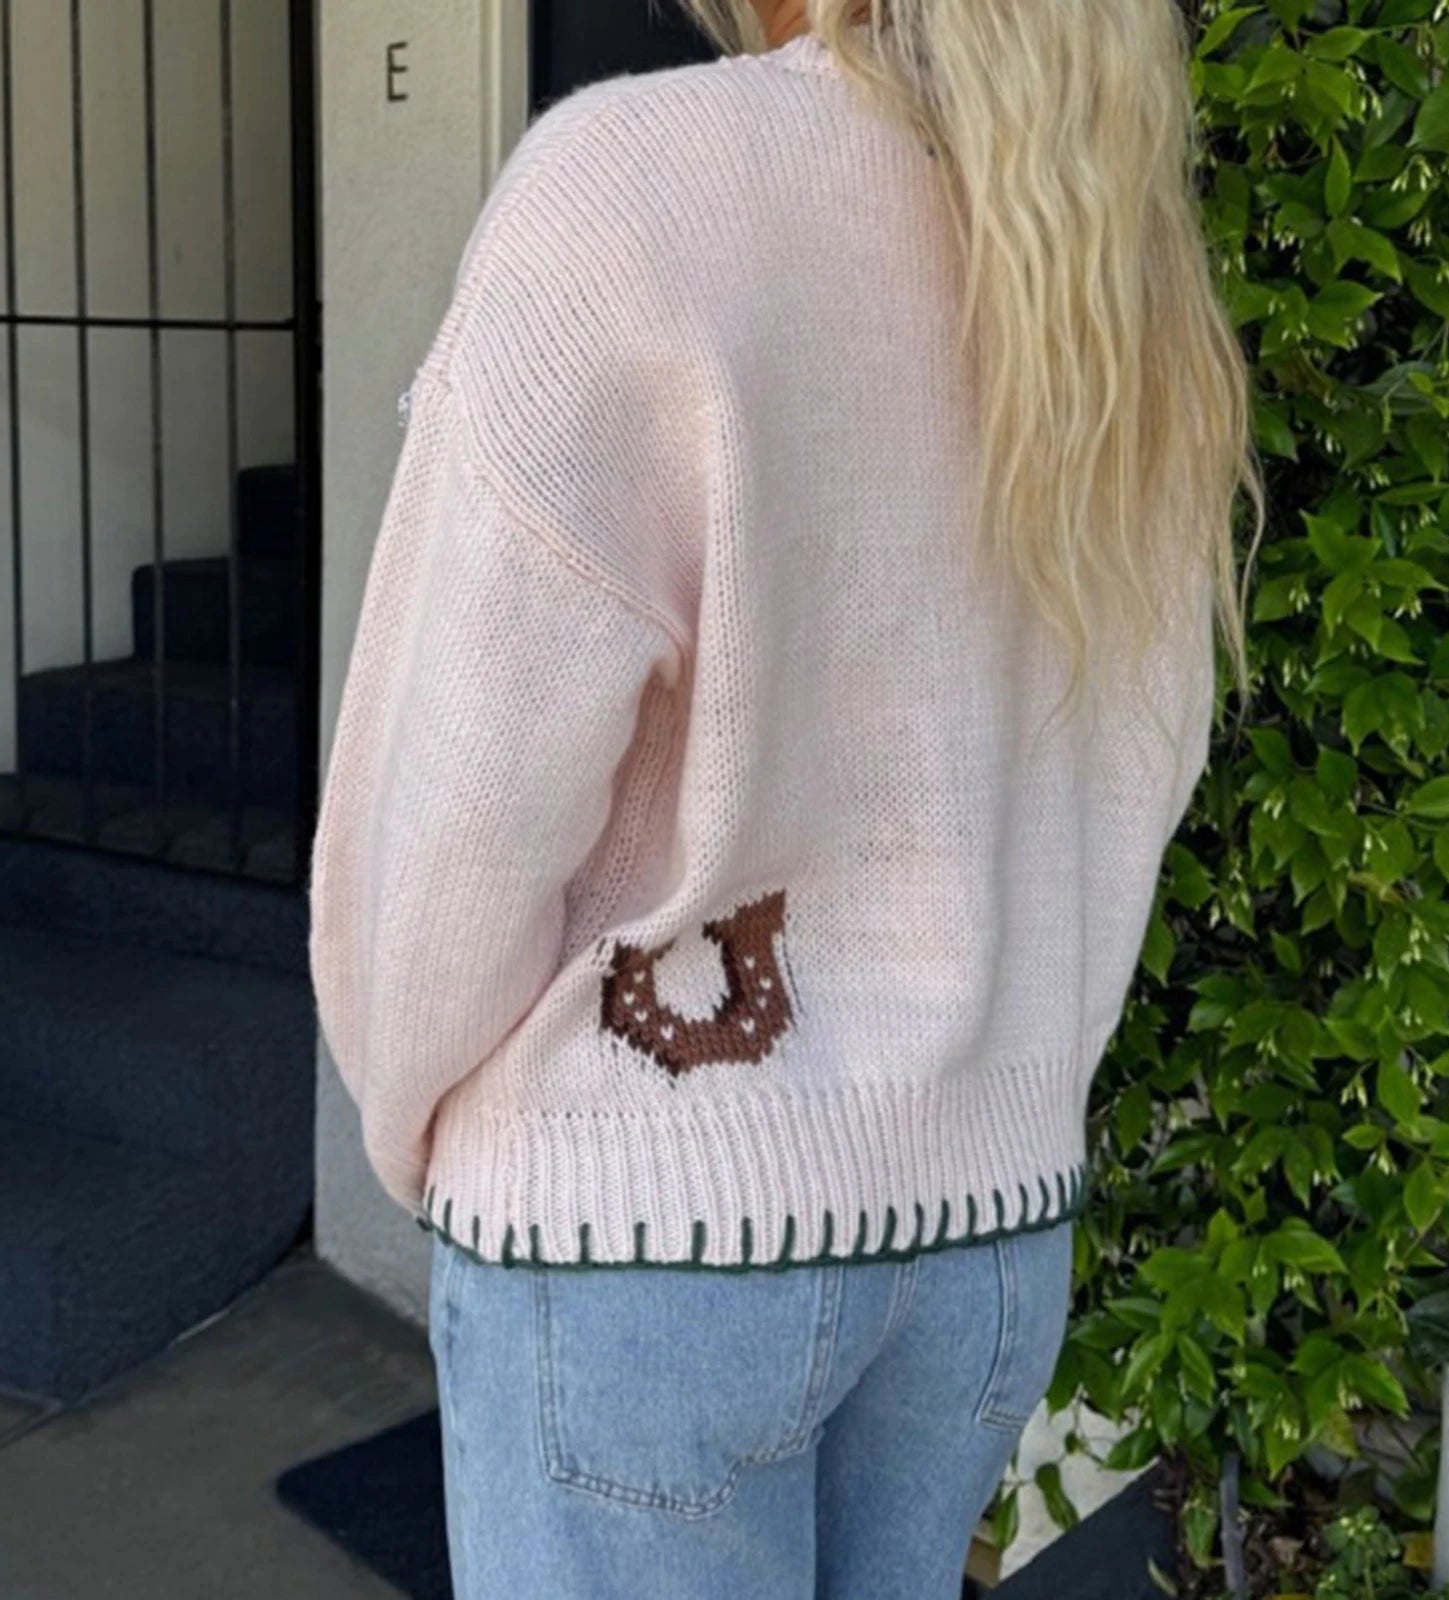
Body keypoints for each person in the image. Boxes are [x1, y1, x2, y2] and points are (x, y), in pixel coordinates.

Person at [307, 0, 1263, 1595]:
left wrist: (429, 1134)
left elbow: (456, 805)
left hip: (643, 1241)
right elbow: (1135, 758)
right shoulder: (1113, 252)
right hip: (984, 1237)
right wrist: (1000, 1079)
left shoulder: (635, 191)